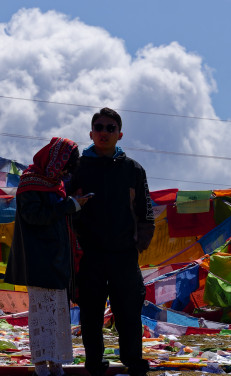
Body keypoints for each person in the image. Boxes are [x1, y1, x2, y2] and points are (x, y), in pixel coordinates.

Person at [70, 107, 155, 376]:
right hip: (90, 253)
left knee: (128, 310)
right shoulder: (78, 168)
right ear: (91, 133)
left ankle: (133, 361)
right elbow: (65, 205)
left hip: (124, 253)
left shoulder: (133, 169)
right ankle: (94, 362)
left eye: (110, 128)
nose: (104, 132)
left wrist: (138, 244)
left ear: (120, 134)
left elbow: (146, 211)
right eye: (99, 127)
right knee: (91, 313)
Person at [5, 137, 88, 376]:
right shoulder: (30, 183)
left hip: (57, 259)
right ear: (53, 159)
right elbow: (35, 217)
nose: (64, 172)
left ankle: (56, 362)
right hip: (39, 259)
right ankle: (41, 364)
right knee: (42, 313)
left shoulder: (55, 184)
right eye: (63, 166)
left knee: (57, 313)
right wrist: (69, 206)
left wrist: (75, 204)